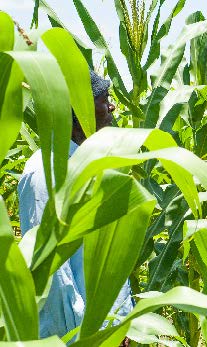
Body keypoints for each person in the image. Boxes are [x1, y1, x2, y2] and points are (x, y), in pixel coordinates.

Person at [18, 71, 134, 340]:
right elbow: (53, 275)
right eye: (103, 98)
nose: (111, 106)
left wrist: (120, 322)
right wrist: (85, 336)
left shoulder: (96, 165)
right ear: (77, 110)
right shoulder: (46, 172)